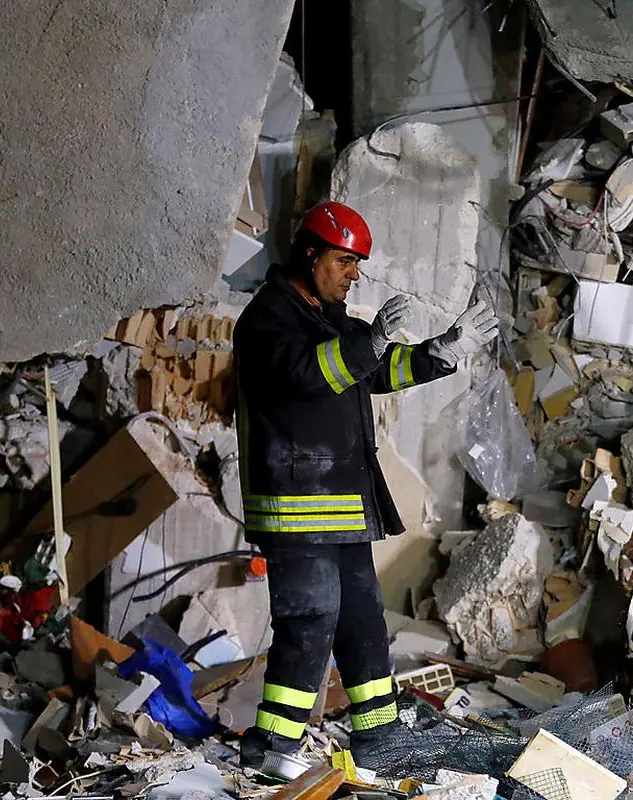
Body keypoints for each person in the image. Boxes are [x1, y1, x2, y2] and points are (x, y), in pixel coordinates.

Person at [232, 200, 498, 767]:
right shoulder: (266, 320)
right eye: (344, 261)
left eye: (358, 264)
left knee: (360, 618)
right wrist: (368, 344)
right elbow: (309, 375)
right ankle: (272, 746)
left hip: (341, 502)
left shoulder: (334, 321)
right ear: (310, 255)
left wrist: (443, 351)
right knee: (311, 620)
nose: (354, 274)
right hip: (295, 504)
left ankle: (379, 736)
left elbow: (377, 371)